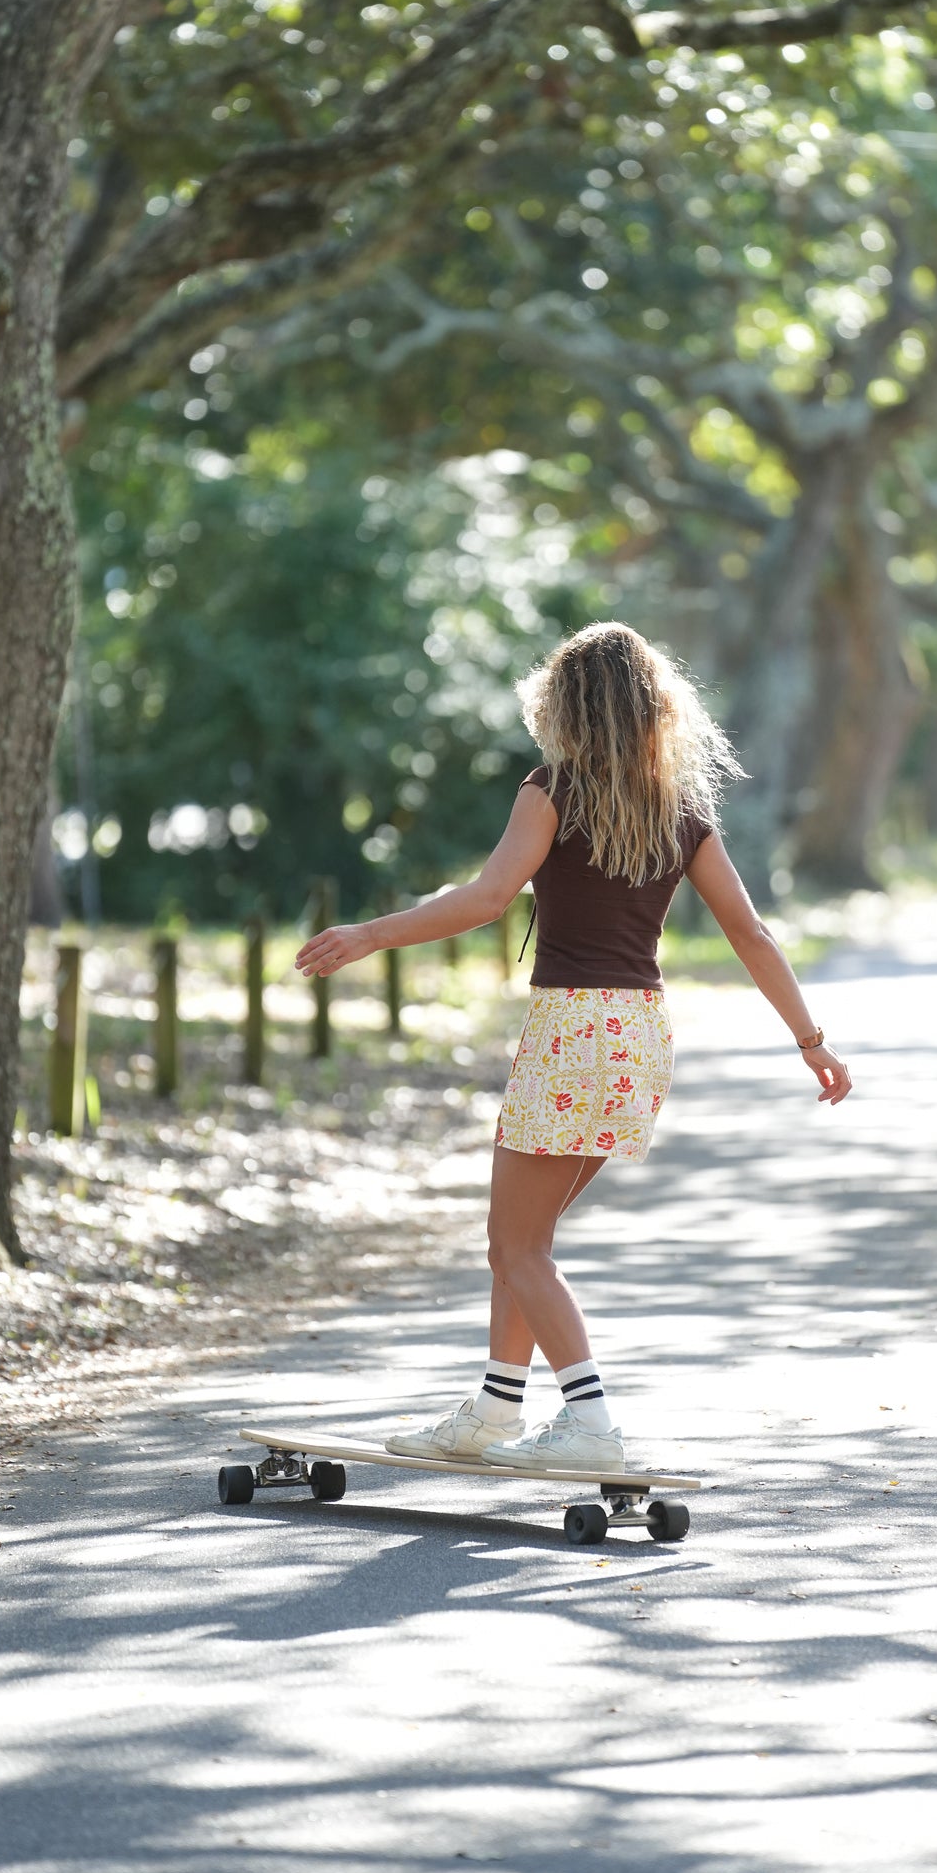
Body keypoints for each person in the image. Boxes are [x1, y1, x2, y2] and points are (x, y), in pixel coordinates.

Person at [294, 622, 851, 1471]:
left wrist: (372, 933)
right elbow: (748, 930)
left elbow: (486, 896)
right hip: (637, 1037)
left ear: (564, 705)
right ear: (656, 709)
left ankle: (589, 1421)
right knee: (524, 1243)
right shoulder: (683, 812)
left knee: (516, 1248)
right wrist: (809, 1039)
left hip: (570, 1033)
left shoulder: (550, 789)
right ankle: (493, 1409)